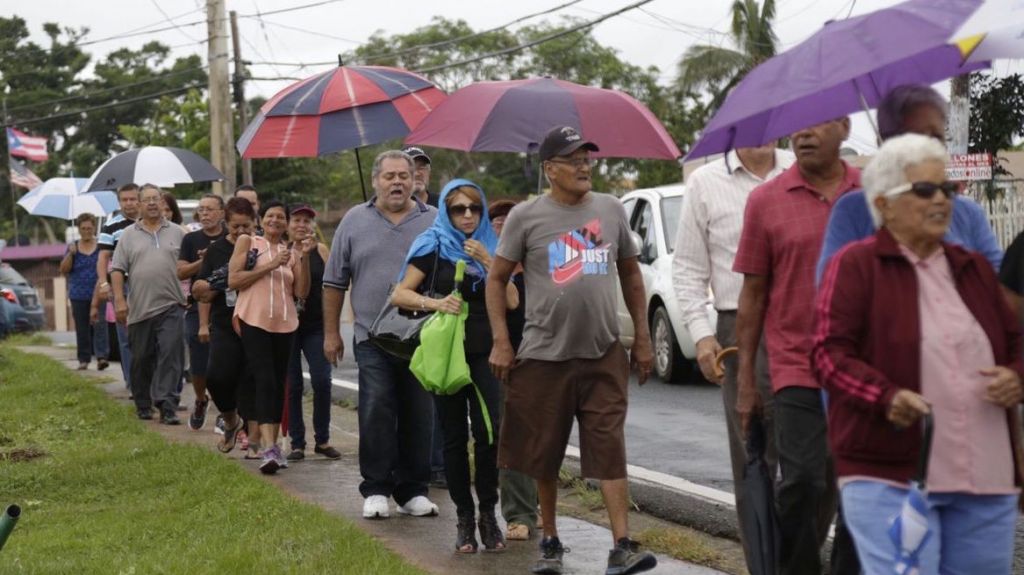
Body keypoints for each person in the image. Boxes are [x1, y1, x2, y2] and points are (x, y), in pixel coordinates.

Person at [813, 133, 1023, 574]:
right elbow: (829, 355)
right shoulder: (855, 265)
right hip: (891, 475)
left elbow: (1015, 340)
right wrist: (885, 397)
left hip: (984, 470)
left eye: (947, 189)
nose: (941, 201)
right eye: (924, 190)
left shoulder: (972, 268)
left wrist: (1017, 376)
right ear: (884, 204)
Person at [486, 125, 657, 575]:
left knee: (609, 445)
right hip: (544, 354)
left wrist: (641, 338)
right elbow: (496, 279)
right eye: (573, 159)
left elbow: (632, 277)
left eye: (587, 158)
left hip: (602, 352)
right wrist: (502, 340)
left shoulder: (610, 208)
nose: (584, 166)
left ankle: (622, 544)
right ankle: (550, 539)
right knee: (544, 449)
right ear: (550, 170)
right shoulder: (526, 216)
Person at [733, 118, 860, 574]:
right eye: (796, 128)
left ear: (845, 128)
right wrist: (747, 379)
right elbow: (752, 294)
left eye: (817, 126)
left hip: (862, 369)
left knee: (859, 489)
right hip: (795, 366)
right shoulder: (765, 200)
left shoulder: (874, 194)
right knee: (803, 479)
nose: (803, 135)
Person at [671, 143, 792, 571]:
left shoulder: (799, 170)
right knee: (754, 456)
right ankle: (764, 564)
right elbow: (686, 268)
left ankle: (797, 557)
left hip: (802, 323)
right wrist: (702, 337)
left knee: (812, 459)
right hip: (737, 326)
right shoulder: (705, 182)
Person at [392, 179, 518, 553]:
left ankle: (488, 514)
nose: (467, 215)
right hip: (446, 351)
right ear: (446, 213)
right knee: (451, 437)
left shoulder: (494, 247)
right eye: (458, 209)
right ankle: (464, 518)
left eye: (474, 208)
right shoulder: (432, 245)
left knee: (489, 432)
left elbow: (511, 300)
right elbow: (400, 293)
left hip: (485, 351)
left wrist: (487, 260)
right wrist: (436, 303)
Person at [323, 150, 440, 520]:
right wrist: (331, 333)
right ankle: (376, 488)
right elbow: (333, 282)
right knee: (376, 409)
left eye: (404, 175)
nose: (397, 182)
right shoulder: (354, 221)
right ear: (376, 180)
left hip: (422, 336)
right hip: (371, 336)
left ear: (414, 179)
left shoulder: (434, 220)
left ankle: (412, 490)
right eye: (389, 176)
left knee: (418, 414)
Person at [816, 84, 1003, 283]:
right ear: (883, 144)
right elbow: (831, 286)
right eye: (915, 137)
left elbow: (998, 286)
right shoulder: (852, 210)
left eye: (936, 137)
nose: (929, 147)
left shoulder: (968, 212)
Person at [229, 200, 312, 474]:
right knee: (264, 379)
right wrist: (271, 264)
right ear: (261, 220)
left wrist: (305, 257)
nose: (275, 220)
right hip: (253, 318)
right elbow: (235, 280)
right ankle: (268, 448)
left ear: (286, 223)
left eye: (280, 217)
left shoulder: (291, 251)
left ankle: (274, 446)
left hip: (285, 322)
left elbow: (301, 292)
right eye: (270, 216)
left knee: (278, 383)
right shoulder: (248, 241)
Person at [111, 184, 187, 425]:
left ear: (162, 202)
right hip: (140, 309)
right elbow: (117, 270)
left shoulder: (178, 232)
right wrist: (120, 301)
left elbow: (189, 265)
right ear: (140, 205)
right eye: (148, 199)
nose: (152, 203)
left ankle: (167, 405)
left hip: (172, 305)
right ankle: (143, 403)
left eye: (156, 198)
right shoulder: (128, 235)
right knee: (142, 357)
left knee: (171, 354)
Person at [489, 198, 539, 542]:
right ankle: (519, 512)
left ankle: (536, 506)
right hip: (505, 359)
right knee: (512, 434)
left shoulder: (543, 264)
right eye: (497, 223)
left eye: (512, 222)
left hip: (547, 358)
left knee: (541, 438)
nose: (505, 227)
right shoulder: (486, 268)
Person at [192, 197, 257, 454]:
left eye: (246, 227)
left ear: (255, 223)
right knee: (217, 376)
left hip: (255, 322)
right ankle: (231, 420)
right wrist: (203, 324)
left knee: (251, 379)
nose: (241, 232)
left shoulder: (262, 246)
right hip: (224, 322)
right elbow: (203, 289)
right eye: (235, 227)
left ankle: (254, 440)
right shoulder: (216, 250)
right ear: (226, 224)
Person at [285, 204, 341, 462]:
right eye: (296, 220)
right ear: (288, 224)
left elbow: (333, 286)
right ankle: (297, 442)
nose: (301, 225)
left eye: (306, 221)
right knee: (293, 384)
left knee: (321, 380)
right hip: (286, 326)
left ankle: (323, 439)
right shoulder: (281, 252)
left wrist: (335, 328)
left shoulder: (321, 250)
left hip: (316, 325)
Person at [177, 193, 226, 431]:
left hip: (225, 305)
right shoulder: (191, 240)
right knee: (199, 365)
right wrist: (204, 261)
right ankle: (200, 399)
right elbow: (181, 272)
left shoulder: (231, 237)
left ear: (221, 213)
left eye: (210, 209)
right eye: (201, 210)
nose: (204, 214)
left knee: (223, 363)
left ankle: (226, 411)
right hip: (197, 305)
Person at [92, 183, 140, 388]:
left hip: (151, 287)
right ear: (119, 202)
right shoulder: (111, 226)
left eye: (132, 199)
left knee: (152, 338)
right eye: (124, 200)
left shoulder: (151, 223)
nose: (128, 203)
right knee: (127, 338)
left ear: (140, 199)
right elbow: (103, 257)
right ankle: (133, 384)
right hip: (124, 288)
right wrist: (104, 284)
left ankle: (155, 384)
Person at [61, 213, 109, 371]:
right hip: (78, 294)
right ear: (79, 229)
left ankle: (101, 356)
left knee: (100, 324)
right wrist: (71, 254)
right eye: (83, 228)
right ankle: (84, 359)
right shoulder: (72, 246)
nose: (87, 231)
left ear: (94, 228)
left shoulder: (101, 247)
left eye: (89, 228)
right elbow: (64, 270)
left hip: (98, 291)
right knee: (82, 327)